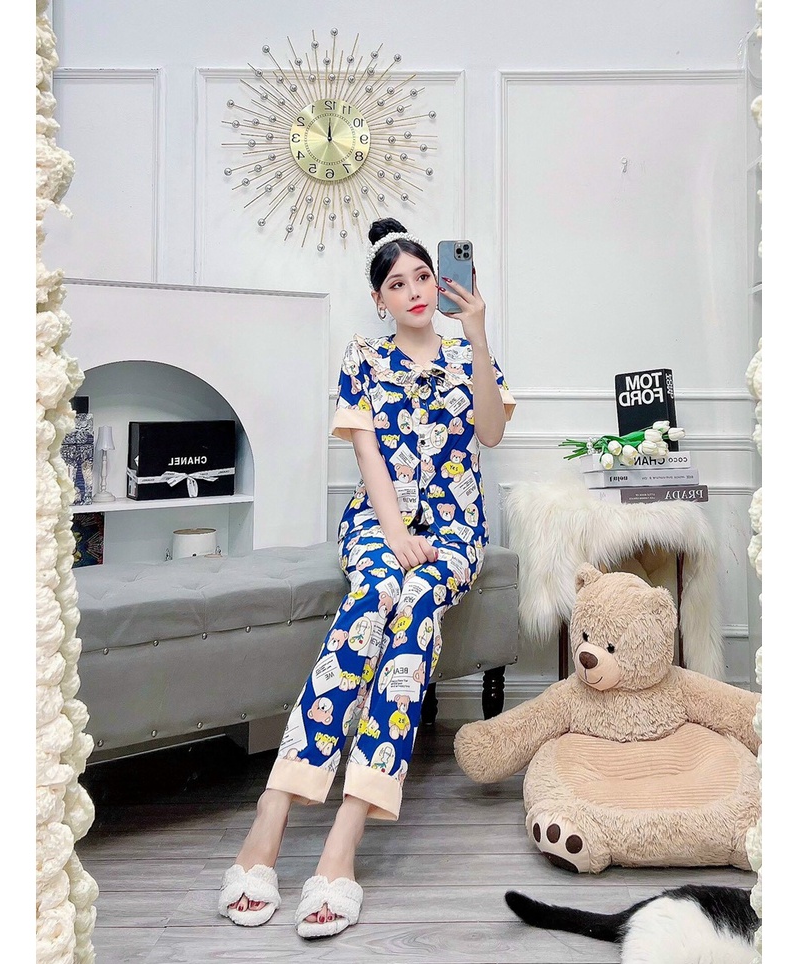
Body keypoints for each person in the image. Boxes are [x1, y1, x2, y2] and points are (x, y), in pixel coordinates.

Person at [218, 218, 515, 939]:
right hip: (380, 524)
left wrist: (477, 334)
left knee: (415, 610)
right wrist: (395, 534)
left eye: (423, 277)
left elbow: (490, 432)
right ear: (378, 298)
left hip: (456, 531)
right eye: (397, 284)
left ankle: (344, 835)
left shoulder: (466, 354)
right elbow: (369, 458)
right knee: (378, 594)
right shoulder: (363, 358)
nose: (414, 291)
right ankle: (275, 807)